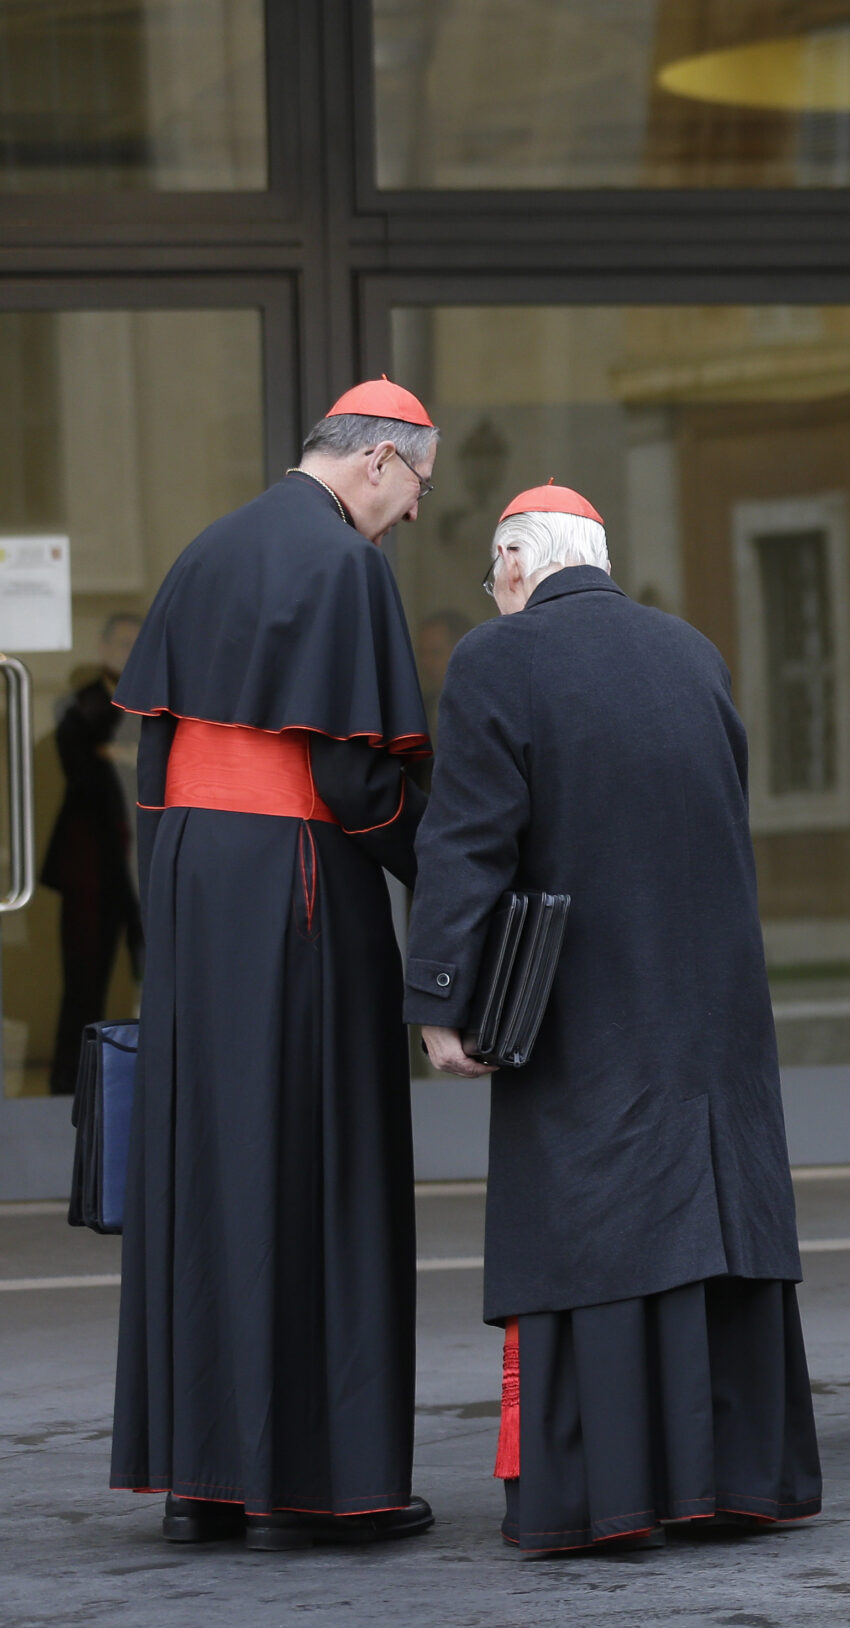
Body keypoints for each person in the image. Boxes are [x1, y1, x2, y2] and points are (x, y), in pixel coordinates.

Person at [408, 483, 818, 1555]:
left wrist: (441, 998)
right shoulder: (692, 650)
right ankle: (733, 1481)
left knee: (594, 1224)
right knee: (708, 1222)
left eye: (491, 574)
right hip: (709, 999)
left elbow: (469, 839)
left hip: (583, 999)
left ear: (514, 561)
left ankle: (612, 1493)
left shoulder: (499, 658)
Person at [110, 378, 438, 1548]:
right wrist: (446, 868)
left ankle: (200, 1480)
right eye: (418, 484)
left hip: (197, 884)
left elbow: (158, 759)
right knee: (318, 1163)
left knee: (206, 1165)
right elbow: (354, 777)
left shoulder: (204, 550)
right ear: (378, 461)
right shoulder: (346, 565)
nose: (414, 511)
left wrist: (178, 897)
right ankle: (316, 1487)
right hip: (297, 887)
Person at [42, 612, 143, 1096]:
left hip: (144, 868)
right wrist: (128, 758)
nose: (129, 653)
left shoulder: (158, 703)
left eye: (137, 644)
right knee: (83, 983)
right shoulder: (78, 705)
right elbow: (86, 774)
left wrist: (120, 756)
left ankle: (149, 1090)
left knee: (156, 980)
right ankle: (69, 1092)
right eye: (121, 644)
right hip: (92, 870)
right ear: (103, 648)